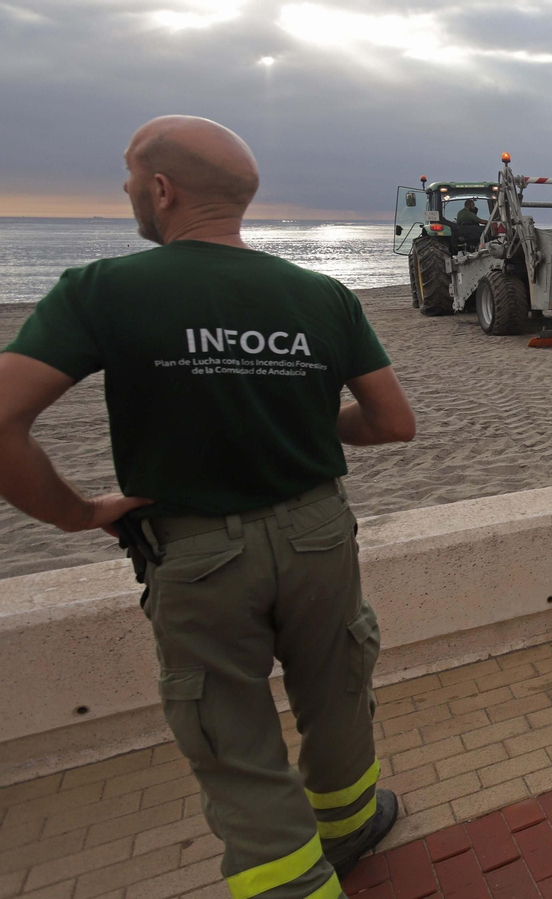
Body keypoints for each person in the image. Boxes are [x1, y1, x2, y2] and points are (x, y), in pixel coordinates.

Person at [0, 116, 415, 892]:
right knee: (338, 689)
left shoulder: (103, 289)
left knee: (231, 731)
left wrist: (75, 512)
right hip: (321, 536)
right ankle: (351, 825)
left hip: (198, 552)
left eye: (129, 178)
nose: (127, 191)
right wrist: (293, 410)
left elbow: (2, 418)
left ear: (161, 188)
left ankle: (293, 880)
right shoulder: (321, 294)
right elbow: (394, 423)